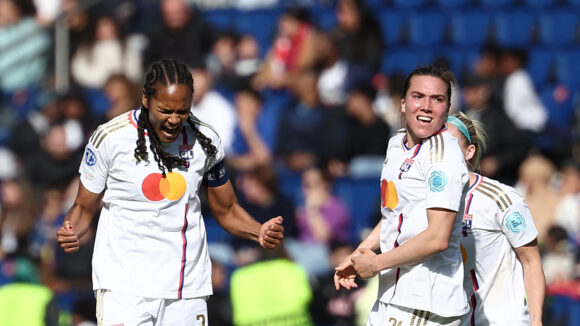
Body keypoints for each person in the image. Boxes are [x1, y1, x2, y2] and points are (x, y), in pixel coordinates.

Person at [56, 58, 284, 325]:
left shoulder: (205, 141)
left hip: (186, 288)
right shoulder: (110, 138)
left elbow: (227, 208)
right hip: (124, 286)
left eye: (182, 111)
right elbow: (84, 206)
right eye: (165, 111)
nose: (174, 120)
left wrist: (259, 231)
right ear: (145, 99)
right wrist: (72, 229)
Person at [334, 66, 470, 325]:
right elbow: (394, 214)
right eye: (418, 96)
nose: (427, 106)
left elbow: (438, 238)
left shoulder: (443, 157)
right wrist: (359, 254)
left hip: (427, 303)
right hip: (393, 295)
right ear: (403, 103)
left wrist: (377, 264)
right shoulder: (396, 144)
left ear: (448, 108)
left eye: (438, 99)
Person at [446, 112, 545, 326]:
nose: (442, 151)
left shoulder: (501, 199)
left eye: (450, 143)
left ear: (469, 151)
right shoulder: (428, 202)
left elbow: (531, 261)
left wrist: (536, 321)